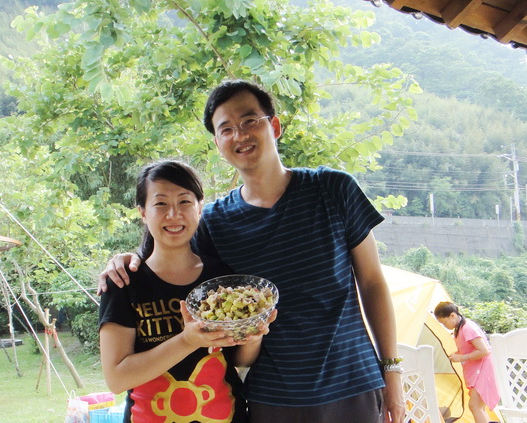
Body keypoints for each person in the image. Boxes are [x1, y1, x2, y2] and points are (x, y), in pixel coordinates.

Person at [99, 80, 405, 423]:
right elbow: (174, 260)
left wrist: (391, 370)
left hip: (353, 385)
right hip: (271, 397)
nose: (240, 135)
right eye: (226, 129)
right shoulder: (214, 222)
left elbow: (372, 282)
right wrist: (127, 260)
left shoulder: (332, 189)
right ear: (218, 144)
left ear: (274, 126)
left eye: (249, 121)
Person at [98, 160, 272, 423]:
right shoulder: (123, 282)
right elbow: (117, 378)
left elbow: (238, 359)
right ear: (142, 212)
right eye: (160, 203)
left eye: (184, 202)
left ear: (199, 208)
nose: (173, 214)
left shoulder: (221, 280)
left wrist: (254, 335)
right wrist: (186, 341)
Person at [434, 301, 500, 423]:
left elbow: (484, 350)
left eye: (444, 322)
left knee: (475, 406)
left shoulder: (468, 328)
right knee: (478, 407)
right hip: (475, 371)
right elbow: (468, 349)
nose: (444, 326)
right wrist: (457, 354)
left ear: (453, 315)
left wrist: (461, 358)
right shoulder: (459, 329)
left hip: (483, 369)